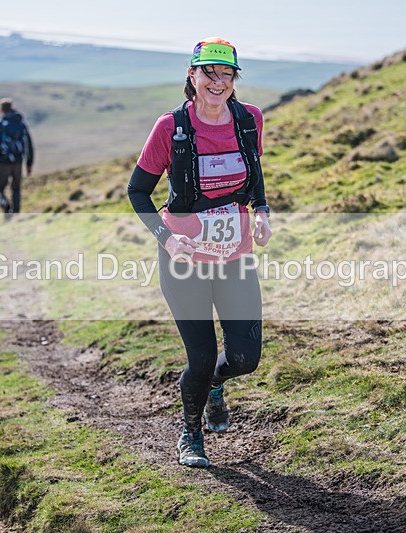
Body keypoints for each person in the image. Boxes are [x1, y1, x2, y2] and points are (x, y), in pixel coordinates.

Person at [127, 37, 272, 468]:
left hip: (235, 255)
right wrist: (166, 238)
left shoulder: (249, 120)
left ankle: (214, 387)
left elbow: (255, 170)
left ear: (234, 79)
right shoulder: (169, 127)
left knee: (245, 357)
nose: (217, 81)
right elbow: (137, 192)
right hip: (184, 258)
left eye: (226, 73)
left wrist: (260, 209)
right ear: (191, 76)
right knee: (202, 356)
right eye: (208, 72)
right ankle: (191, 433)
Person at [0, 98, 34, 215]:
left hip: (3, 163)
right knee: (16, 188)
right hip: (18, 162)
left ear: (1, 110)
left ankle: (5, 205)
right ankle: (16, 212)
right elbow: (28, 144)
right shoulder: (21, 124)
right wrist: (29, 163)